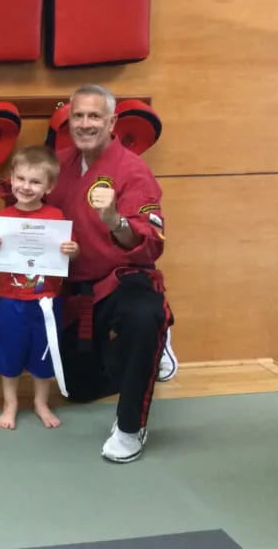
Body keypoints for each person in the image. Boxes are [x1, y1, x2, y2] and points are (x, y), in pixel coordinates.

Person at [47, 84, 174, 463]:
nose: (85, 124)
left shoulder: (133, 170)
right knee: (79, 389)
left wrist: (114, 219)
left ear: (112, 122)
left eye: (94, 116)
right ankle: (148, 350)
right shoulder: (59, 162)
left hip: (122, 279)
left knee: (143, 314)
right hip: (78, 291)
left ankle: (130, 428)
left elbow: (151, 243)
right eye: (78, 116)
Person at [0, 146, 79, 430]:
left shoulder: (56, 217)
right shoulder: (4, 217)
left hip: (46, 300)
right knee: (9, 351)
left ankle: (40, 402)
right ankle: (10, 402)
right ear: (11, 178)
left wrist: (72, 250)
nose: (26, 187)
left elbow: (69, 255)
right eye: (21, 179)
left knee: (44, 353)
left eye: (36, 181)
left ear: (49, 186)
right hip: (12, 299)